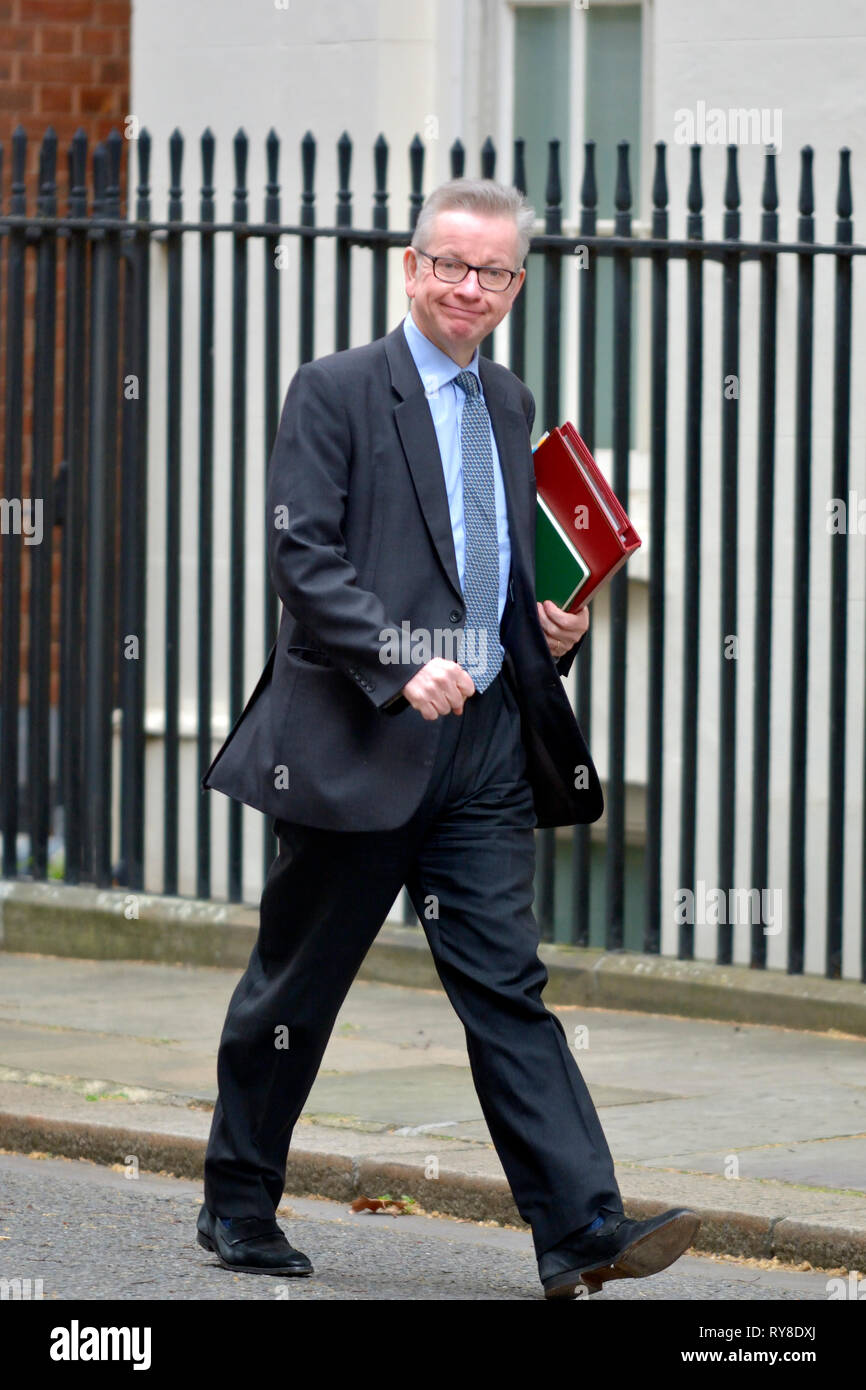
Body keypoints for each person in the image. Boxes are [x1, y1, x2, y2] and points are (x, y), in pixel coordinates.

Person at [196, 176, 699, 1299]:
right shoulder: (331, 391)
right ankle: (237, 1200)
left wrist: (549, 632)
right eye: (449, 265)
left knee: (505, 985)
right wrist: (396, 658)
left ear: (515, 284)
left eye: (492, 272)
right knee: (296, 987)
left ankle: (579, 1228)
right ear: (410, 264)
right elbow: (303, 559)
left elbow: (493, 569)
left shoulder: (508, 402)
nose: (468, 288)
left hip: (480, 747)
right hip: (358, 740)